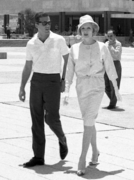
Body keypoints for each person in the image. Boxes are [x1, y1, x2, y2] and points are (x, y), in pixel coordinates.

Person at [63, 15, 121, 176]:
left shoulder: (102, 47)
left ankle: (82, 158)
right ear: (79, 30)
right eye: (83, 28)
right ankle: (95, 152)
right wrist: (67, 91)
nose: (86, 30)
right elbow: (69, 73)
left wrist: (116, 89)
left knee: (88, 120)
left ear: (94, 30)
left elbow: (110, 68)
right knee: (88, 121)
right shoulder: (74, 48)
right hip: (81, 87)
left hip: (97, 86)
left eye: (89, 28)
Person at [19, 12, 69, 167]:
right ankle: (38, 157)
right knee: (36, 120)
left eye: (49, 22)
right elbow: (28, 66)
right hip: (36, 82)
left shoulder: (58, 40)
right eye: (44, 23)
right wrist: (22, 87)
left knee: (52, 118)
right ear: (37, 25)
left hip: (53, 81)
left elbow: (68, 60)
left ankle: (62, 138)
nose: (48, 25)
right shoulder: (31, 43)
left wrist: (63, 80)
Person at [105, 29, 122, 109]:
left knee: (114, 85)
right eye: (108, 36)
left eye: (111, 36)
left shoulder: (118, 44)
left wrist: (111, 46)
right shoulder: (105, 44)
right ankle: (113, 99)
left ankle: (112, 103)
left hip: (115, 64)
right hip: (106, 64)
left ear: (115, 35)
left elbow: (116, 54)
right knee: (105, 85)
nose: (109, 37)